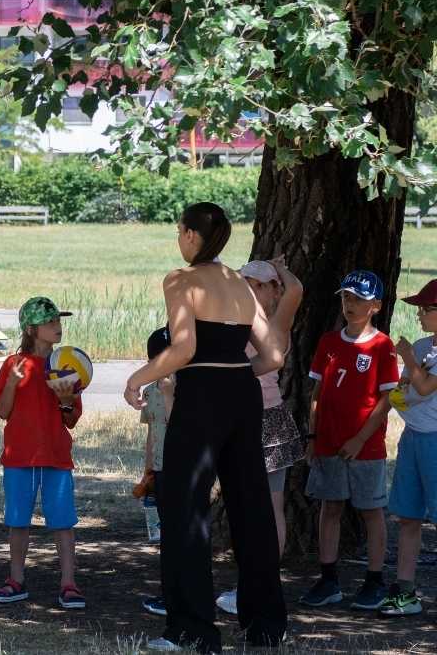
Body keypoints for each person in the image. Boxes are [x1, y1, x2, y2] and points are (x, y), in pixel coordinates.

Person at [123, 202, 288, 654]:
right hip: (242, 395)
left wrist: (139, 376)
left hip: (200, 398)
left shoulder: (181, 280)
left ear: (192, 235)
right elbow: (273, 355)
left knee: (184, 510)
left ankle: (192, 629)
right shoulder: (239, 283)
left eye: (180, 231)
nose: (179, 239)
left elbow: (184, 347)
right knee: (251, 507)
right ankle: (267, 623)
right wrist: (236, 372)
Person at [301, 269, 398, 611]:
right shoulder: (328, 342)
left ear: (375, 305)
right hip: (327, 443)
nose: (350, 304)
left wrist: (359, 439)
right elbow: (317, 392)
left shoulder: (382, 346)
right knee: (330, 508)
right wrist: (312, 436)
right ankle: (328, 581)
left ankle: (375, 581)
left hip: (365, 447)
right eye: (346, 297)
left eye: (358, 298)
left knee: (372, 512)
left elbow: (387, 400)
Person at [215, 257, 304, 616]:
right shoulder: (235, 318)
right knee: (248, 505)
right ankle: (253, 584)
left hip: (267, 419)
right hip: (242, 416)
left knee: (269, 508)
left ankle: (259, 584)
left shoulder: (276, 319)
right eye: (245, 282)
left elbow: (296, 289)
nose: (249, 289)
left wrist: (278, 268)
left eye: (258, 283)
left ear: (272, 290)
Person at [0, 297, 86, 609]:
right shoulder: (12, 365)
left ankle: (68, 584)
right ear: (31, 329)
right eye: (51, 322)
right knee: (18, 521)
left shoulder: (66, 365)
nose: (58, 327)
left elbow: (71, 419)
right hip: (19, 458)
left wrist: (67, 400)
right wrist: (14, 384)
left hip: (56, 456)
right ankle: (15, 580)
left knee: (63, 523)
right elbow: (3, 411)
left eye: (59, 321)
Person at [383, 278, 437, 616]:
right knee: (408, 516)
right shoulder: (420, 346)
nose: (418, 314)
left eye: (426, 309)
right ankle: (405, 592)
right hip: (412, 437)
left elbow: (425, 387)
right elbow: (406, 387)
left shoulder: (413, 351)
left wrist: (406, 358)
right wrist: (409, 363)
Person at [134, 326, 174, 618]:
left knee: (179, 533)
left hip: (183, 469)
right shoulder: (149, 391)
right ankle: (167, 591)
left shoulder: (187, 388)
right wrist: (147, 470)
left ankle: (177, 593)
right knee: (164, 536)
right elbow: (151, 433)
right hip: (159, 470)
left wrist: (170, 391)